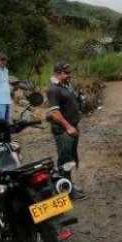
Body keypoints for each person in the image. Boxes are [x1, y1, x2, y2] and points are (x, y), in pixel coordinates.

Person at [46, 62, 87, 200]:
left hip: (72, 128)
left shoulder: (65, 86)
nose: (70, 75)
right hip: (64, 130)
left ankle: (68, 186)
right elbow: (55, 113)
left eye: (69, 72)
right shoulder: (53, 89)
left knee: (70, 158)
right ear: (58, 73)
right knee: (65, 160)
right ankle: (66, 191)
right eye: (67, 73)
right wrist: (68, 127)